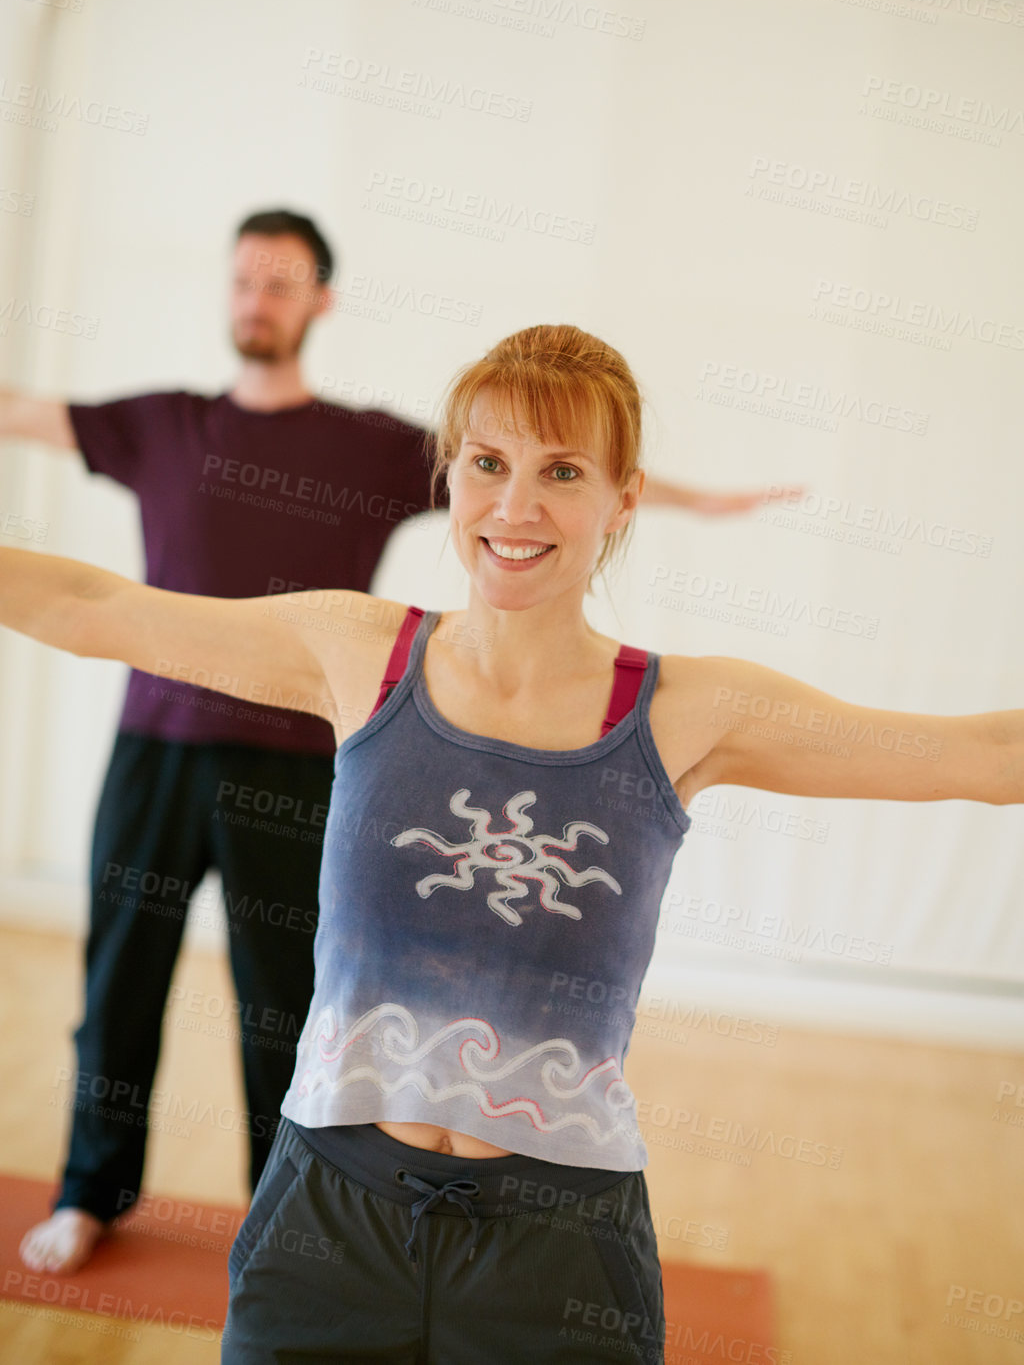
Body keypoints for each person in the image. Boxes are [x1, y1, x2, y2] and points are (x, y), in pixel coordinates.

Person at [1, 322, 1024, 1363]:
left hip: (560, 1255)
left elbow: (983, 756)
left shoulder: (686, 711)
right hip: (322, 1220)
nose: (516, 506)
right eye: (488, 464)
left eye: (562, 472)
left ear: (622, 497)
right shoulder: (355, 651)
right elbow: (94, 608)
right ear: (448, 476)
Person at [1, 223, 803, 1277]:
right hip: (155, 748)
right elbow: (27, 431)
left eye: (281, 281)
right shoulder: (162, 422)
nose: (258, 296)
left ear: (319, 301)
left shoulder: (368, 446)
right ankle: (88, 1189)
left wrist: (700, 498)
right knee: (119, 981)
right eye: (244, 277)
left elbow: (537, 480)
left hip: (294, 767)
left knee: (285, 1004)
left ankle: (280, 1201)